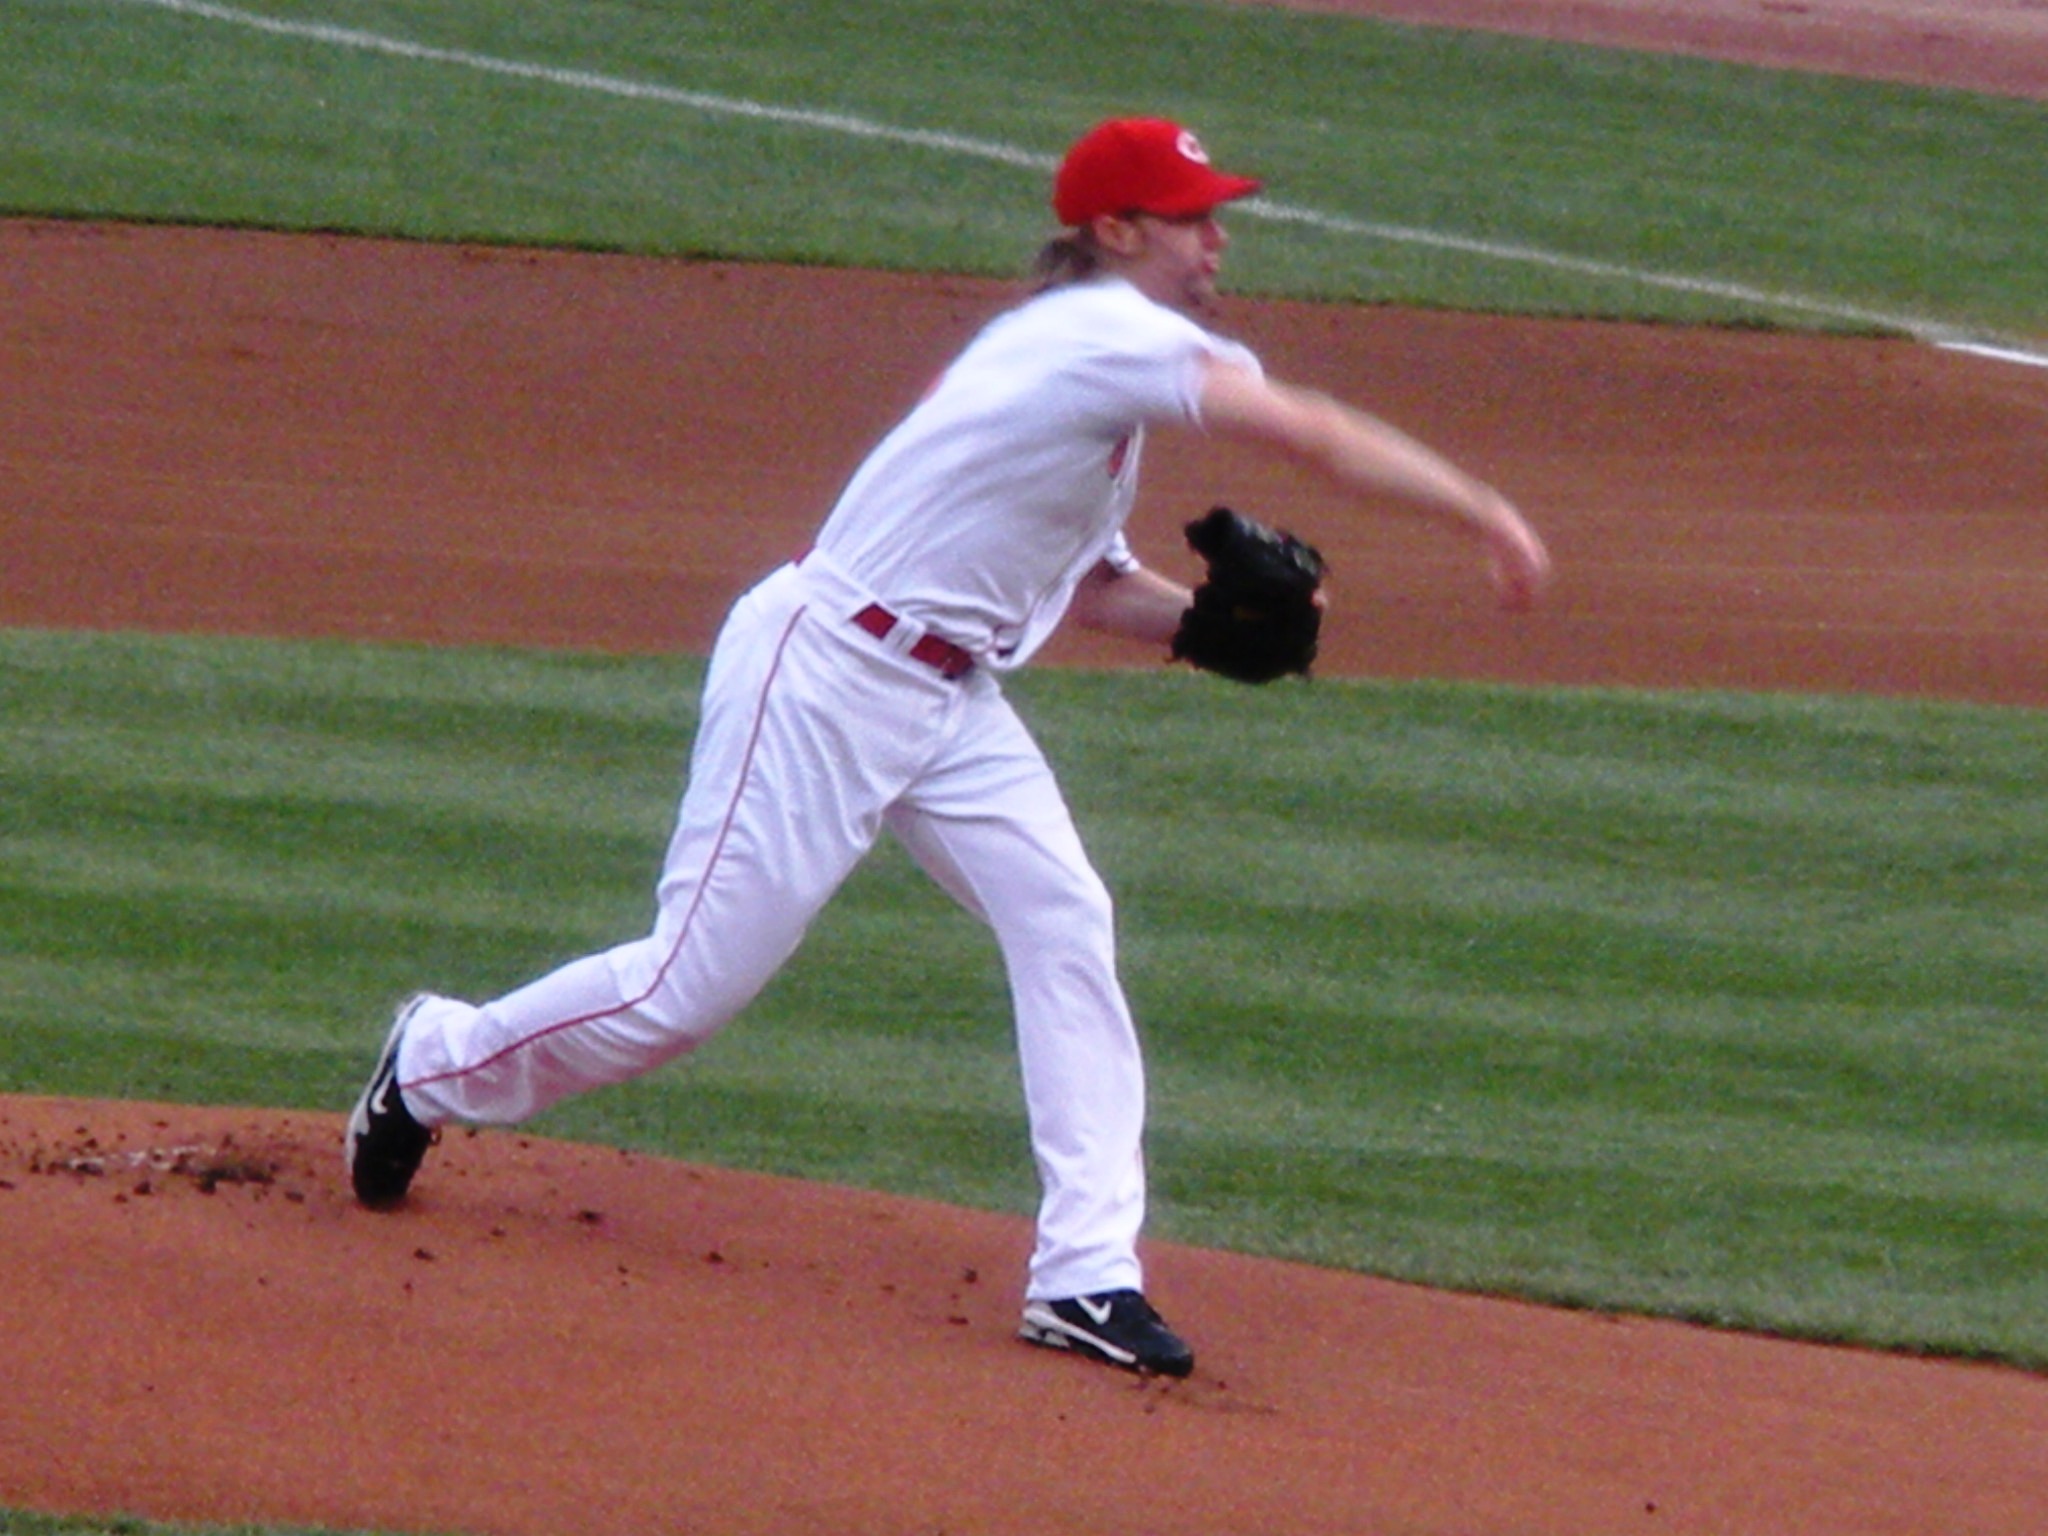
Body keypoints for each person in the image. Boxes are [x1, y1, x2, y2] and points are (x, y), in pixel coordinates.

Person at [346, 116, 1550, 1379]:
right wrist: (1480, 510)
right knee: (683, 990)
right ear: (1115, 232)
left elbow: (1085, 587)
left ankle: (1085, 1275)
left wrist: (1198, 629)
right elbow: (1298, 428)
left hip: (946, 700)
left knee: (1065, 919)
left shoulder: (1078, 365)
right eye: (1193, 216)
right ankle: (433, 1061)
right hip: (821, 676)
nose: (1218, 238)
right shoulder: (1102, 336)